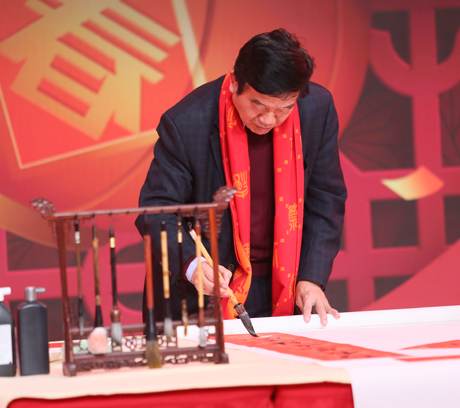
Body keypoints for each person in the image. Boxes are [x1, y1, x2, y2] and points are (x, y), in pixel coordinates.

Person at [135, 29, 346, 327]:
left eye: (284, 108)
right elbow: (156, 209)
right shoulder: (187, 121)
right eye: (258, 105)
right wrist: (193, 265)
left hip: (284, 283)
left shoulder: (316, 108)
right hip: (204, 291)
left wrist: (311, 278)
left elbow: (326, 197)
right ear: (235, 82)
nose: (269, 120)